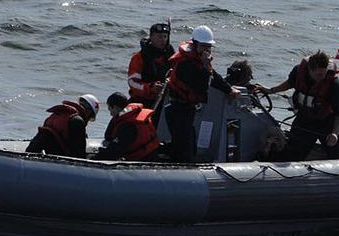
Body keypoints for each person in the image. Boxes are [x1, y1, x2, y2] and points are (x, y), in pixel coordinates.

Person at [165, 25, 240, 163]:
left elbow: (214, 78)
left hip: (188, 110)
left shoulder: (199, 61)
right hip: (178, 110)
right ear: (195, 44)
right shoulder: (185, 64)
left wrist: (229, 90)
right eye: (203, 46)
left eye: (209, 47)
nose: (207, 50)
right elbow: (201, 86)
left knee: (189, 143)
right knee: (184, 148)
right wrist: (206, 66)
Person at [255, 50, 339, 160]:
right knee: (291, 154)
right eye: (319, 74)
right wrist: (270, 90)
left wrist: (335, 134)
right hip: (304, 119)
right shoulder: (299, 71)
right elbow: (290, 83)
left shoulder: (332, 83)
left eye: (324, 73)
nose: (322, 77)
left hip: (326, 122)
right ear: (310, 70)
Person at [26, 94, 99, 158]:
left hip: (34, 149)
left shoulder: (57, 114)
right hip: (54, 157)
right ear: (89, 112)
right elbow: (78, 155)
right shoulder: (78, 121)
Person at [96, 92, 159, 161]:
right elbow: (108, 136)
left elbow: (114, 152)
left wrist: (95, 158)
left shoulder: (127, 126)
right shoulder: (126, 115)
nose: (110, 113)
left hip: (144, 157)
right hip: (149, 151)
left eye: (110, 108)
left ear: (115, 107)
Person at [127, 22, 175, 108]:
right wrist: (151, 88)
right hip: (141, 101)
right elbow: (133, 82)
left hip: (164, 101)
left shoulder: (172, 56)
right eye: (159, 37)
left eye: (165, 37)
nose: (163, 40)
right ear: (151, 37)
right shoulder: (139, 57)